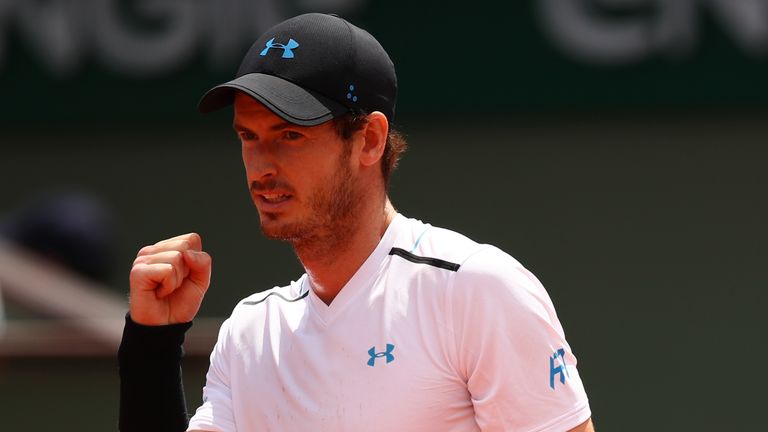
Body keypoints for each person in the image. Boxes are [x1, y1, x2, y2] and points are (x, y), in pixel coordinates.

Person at [118, 13, 594, 432]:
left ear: (369, 140)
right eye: (248, 136)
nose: (261, 166)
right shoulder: (250, 331)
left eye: (290, 135)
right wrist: (152, 344)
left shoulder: (475, 289)